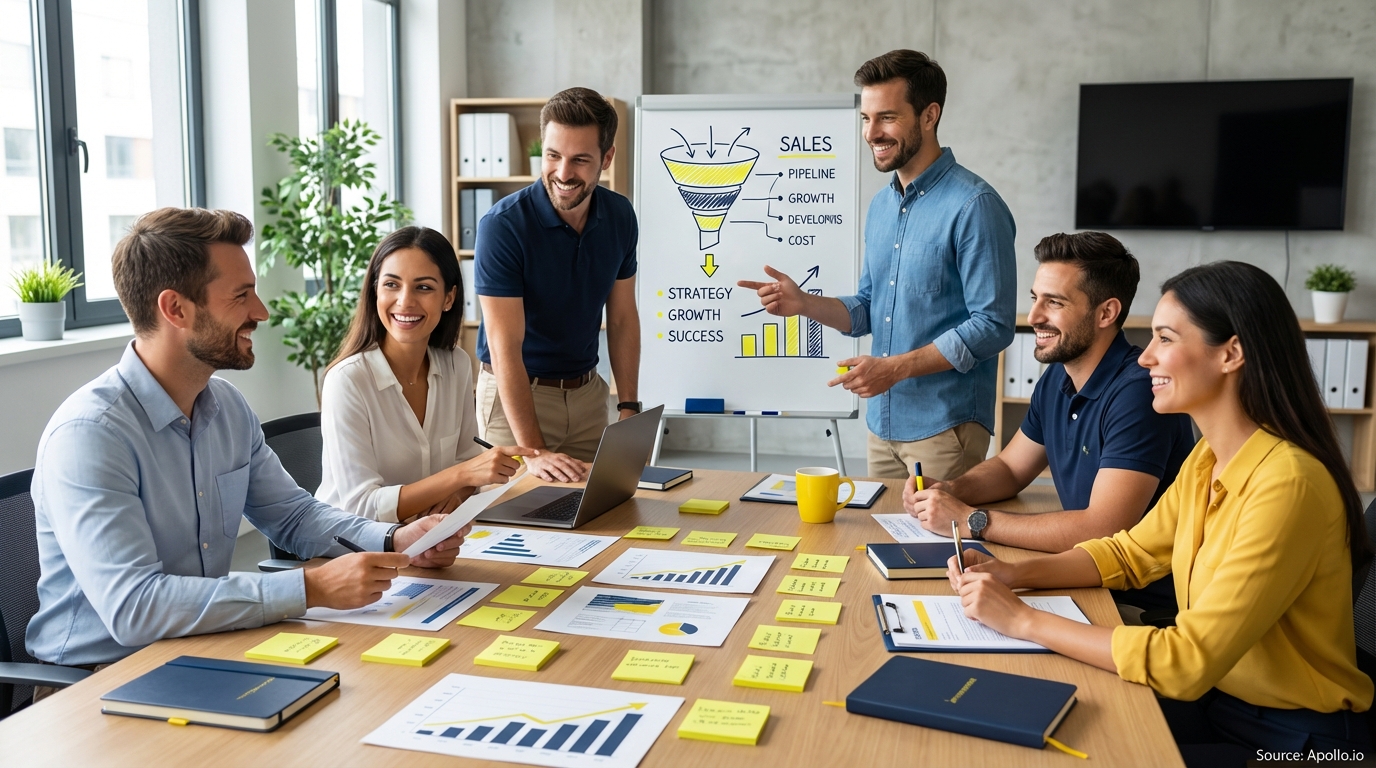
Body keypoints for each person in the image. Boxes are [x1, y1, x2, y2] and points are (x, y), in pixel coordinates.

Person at [948, 261, 1373, 765]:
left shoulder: (1289, 485)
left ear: (1231, 353)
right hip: (1222, 700)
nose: (1146, 358)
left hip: (1298, 740)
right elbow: (1130, 553)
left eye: (1165, 339)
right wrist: (1015, 573)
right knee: (1034, 721)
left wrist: (1022, 620)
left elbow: (1185, 662)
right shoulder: (1210, 457)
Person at [26, 208, 470, 686]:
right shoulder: (91, 434)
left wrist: (393, 540)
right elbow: (134, 607)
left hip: (206, 646)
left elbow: (294, 516)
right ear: (176, 309)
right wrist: (309, 586)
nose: (261, 311)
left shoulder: (227, 408)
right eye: (241, 296)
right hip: (97, 680)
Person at [740, 49, 1016, 480]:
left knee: (935, 548)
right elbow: (870, 307)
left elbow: (993, 324)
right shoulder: (882, 207)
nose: (872, 133)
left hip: (945, 429)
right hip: (882, 427)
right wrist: (803, 304)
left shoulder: (975, 206)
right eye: (866, 119)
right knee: (879, 545)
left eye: (887, 117)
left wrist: (896, 368)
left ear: (929, 115)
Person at [904, 232, 1194, 612]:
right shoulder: (1057, 376)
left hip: (1135, 606)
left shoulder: (1139, 393)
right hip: (1082, 578)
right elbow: (1011, 468)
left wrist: (972, 520)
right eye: (1035, 299)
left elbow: (1102, 529)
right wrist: (952, 490)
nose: (1035, 316)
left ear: (1106, 313)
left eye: (1054, 303)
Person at [475, 87, 641, 484]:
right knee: (515, 529)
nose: (563, 173)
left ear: (607, 158)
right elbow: (504, 348)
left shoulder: (619, 216)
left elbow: (621, 319)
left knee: (598, 519)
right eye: (553, 156)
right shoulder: (503, 227)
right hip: (516, 398)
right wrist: (533, 452)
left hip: (587, 397)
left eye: (580, 160)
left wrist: (629, 406)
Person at [316, 226, 530, 523]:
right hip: (354, 549)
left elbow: (468, 465)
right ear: (375, 291)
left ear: (449, 298)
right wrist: (461, 476)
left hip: (432, 537)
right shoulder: (347, 380)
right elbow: (361, 507)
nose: (405, 301)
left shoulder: (456, 364)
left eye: (424, 287)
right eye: (391, 285)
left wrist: (458, 490)